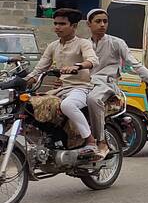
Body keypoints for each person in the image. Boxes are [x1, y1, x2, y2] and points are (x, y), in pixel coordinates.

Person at [85, 8, 148, 158]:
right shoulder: (84, 44)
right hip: (85, 84)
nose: (102, 25)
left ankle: (100, 141)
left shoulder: (116, 43)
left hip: (106, 85)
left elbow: (136, 65)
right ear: (89, 24)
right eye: (98, 21)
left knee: (93, 100)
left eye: (105, 21)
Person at [28, 8, 98, 151]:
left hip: (81, 88)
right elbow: (40, 68)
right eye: (55, 23)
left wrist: (78, 66)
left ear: (74, 26)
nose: (57, 27)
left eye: (62, 24)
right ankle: (48, 141)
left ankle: (90, 140)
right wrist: (26, 79)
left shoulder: (83, 43)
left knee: (67, 105)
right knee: (30, 106)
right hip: (60, 89)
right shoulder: (52, 46)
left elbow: (93, 60)